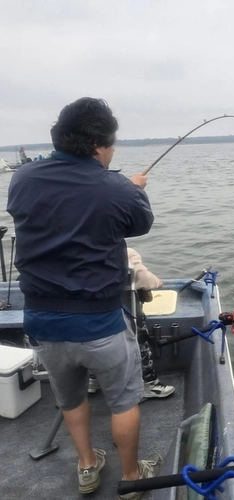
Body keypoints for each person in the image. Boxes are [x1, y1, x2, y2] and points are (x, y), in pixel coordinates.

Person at [7, 97, 161, 499]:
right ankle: (131, 478)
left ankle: (88, 467)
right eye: (112, 146)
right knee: (125, 401)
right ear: (99, 144)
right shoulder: (115, 188)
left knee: (70, 398)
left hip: (42, 319)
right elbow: (140, 222)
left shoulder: (22, 178)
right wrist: (135, 190)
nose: (112, 153)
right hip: (101, 322)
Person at [88, 247, 175, 398]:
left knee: (91, 343)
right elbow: (144, 280)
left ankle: (91, 381)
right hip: (125, 317)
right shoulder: (125, 252)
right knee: (140, 341)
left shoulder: (75, 256)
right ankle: (149, 383)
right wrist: (157, 282)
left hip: (89, 319)